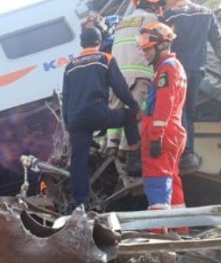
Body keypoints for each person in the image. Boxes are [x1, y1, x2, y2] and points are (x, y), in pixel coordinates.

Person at [62, 27, 141, 211]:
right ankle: (135, 159)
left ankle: (80, 202)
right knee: (128, 116)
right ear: (99, 41)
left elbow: (66, 97)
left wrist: (68, 124)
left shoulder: (70, 66)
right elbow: (120, 87)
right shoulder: (105, 58)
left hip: (76, 120)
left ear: (82, 44)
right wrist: (135, 107)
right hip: (98, 114)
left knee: (78, 161)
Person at [162, 0, 221, 172]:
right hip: (197, 70)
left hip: (176, 69)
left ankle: (185, 154)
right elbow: (218, 42)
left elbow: (159, 41)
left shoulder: (170, 14)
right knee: (189, 113)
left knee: (178, 111)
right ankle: (189, 154)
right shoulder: (206, 13)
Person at [138, 23, 188, 230]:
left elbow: (164, 104)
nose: (145, 54)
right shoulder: (174, 67)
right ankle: (181, 230)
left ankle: (157, 238)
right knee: (172, 182)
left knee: (157, 183)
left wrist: (156, 135)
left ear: (161, 45)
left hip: (162, 132)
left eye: (148, 49)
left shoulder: (167, 69)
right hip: (172, 131)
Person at [107, 0, 164, 175]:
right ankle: (130, 153)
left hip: (117, 75)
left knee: (116, 111)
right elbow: (161, 44)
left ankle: (111, 145)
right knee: (137, 113)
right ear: (153, 5)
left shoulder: (122, 22)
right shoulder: (152, 19)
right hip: (139, 73)